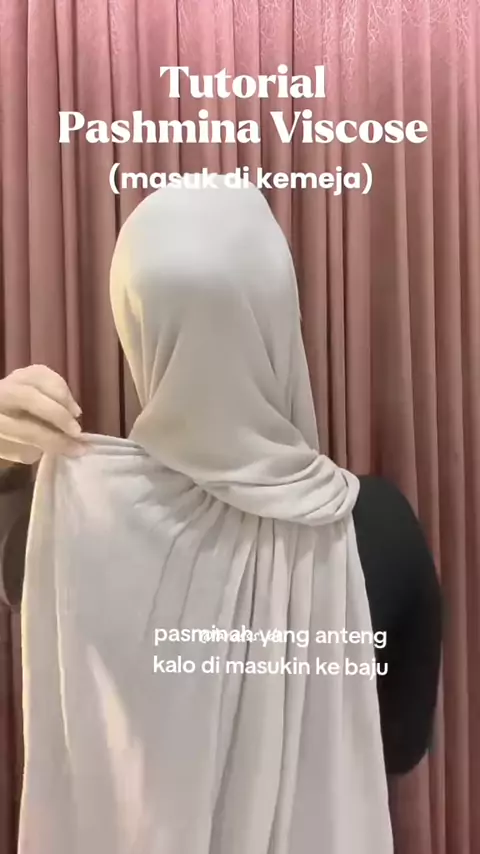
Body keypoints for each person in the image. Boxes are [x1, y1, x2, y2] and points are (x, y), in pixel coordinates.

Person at [0, 176, 440, 853]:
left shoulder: (56, 523)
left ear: (136, 328)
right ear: (279, 316)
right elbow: (401, 747)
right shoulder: (380, 528)